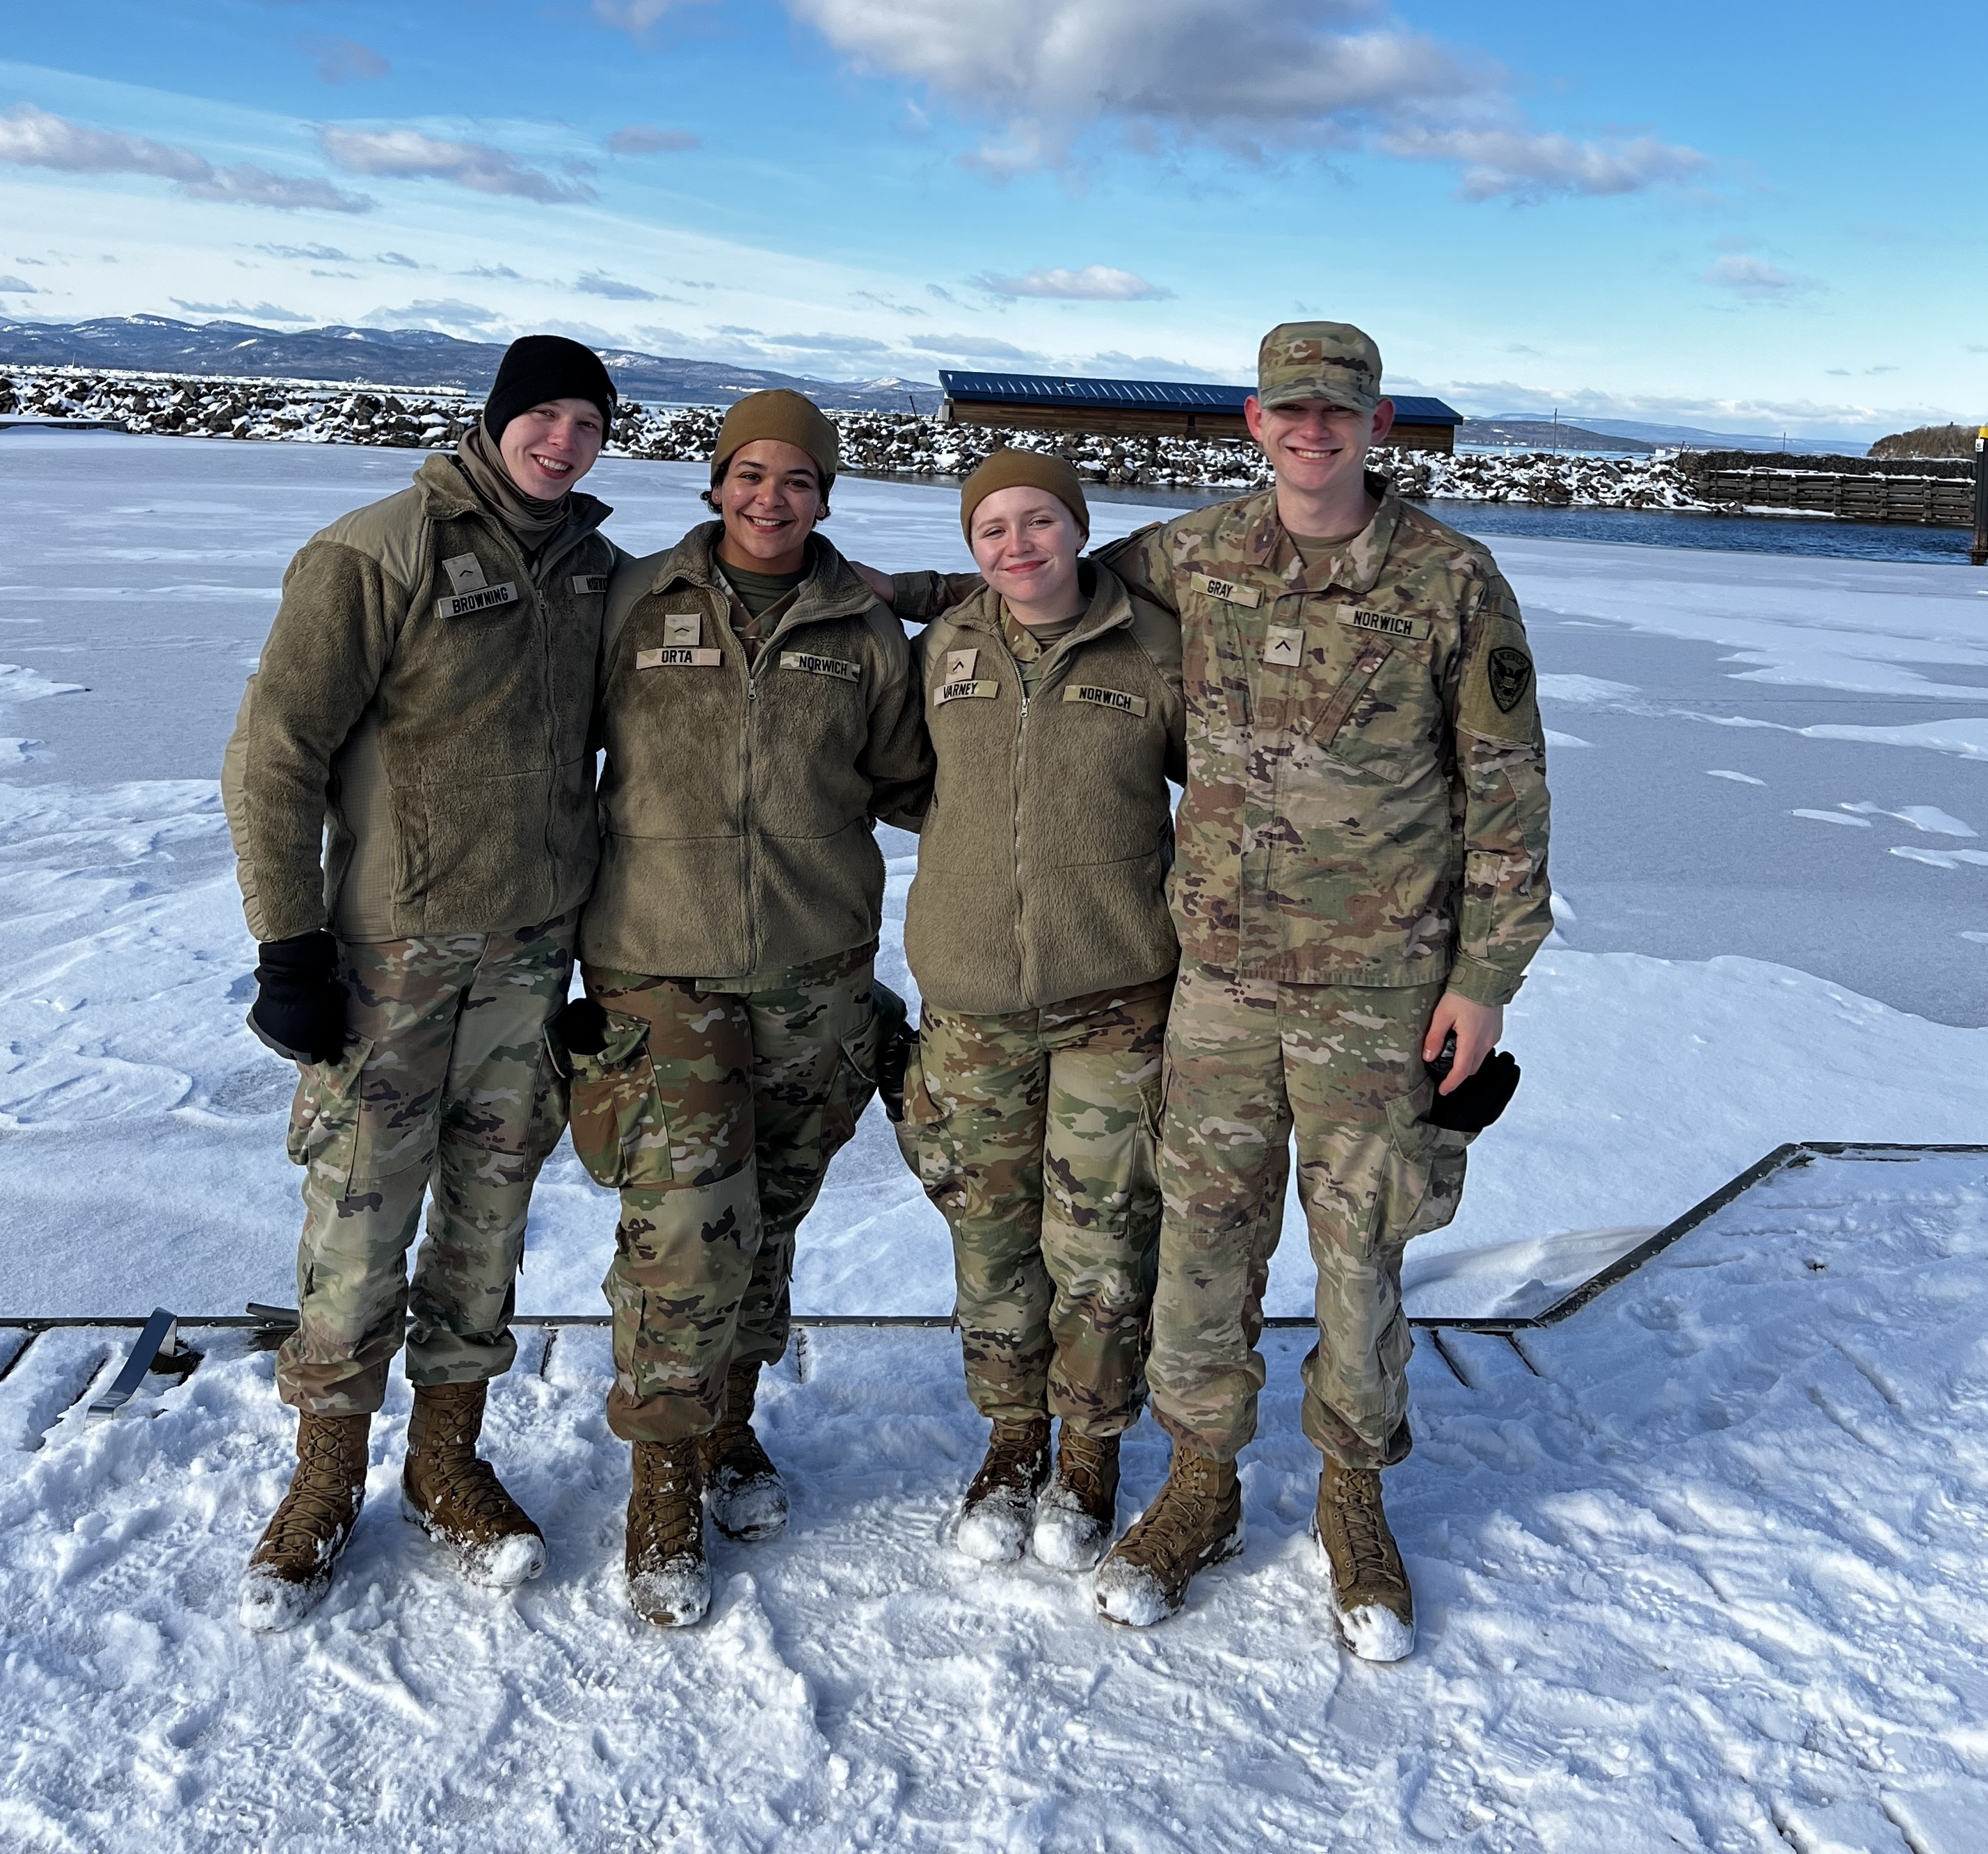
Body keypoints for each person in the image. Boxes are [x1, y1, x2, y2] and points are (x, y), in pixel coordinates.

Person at [1087, 321, 1550, 1661]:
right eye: (1291, 410)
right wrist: (873, 585)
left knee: (1362, 1255)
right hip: (1222, 981)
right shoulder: (1194, 553)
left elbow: (1507, 789)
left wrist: (1487, 975)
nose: (1314, 431)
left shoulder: (1454, 581)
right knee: (1202, 1246)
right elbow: (1047, 579)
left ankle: (1355, 1499)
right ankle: (1201, 1485)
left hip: (1381, 989)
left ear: (1378, 425)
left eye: (1339, 413)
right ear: (1254, 420)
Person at [222, 334, 624, 1631]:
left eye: (587, 424)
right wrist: (288, 944)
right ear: (495, 420)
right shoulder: (377, 550)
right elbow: (274, 754)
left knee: (488, 1220)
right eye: (542, 417)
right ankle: (325, 1475)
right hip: (387, 959)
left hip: (529, 960)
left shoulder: (596, 573)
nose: (562, 443)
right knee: (358, 1220)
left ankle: (445, 1462)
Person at [570, 388, 931, 1629]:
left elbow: (916, 782)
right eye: (751, 475)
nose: (771, 499)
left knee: (769, 1214)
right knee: (679, 1231)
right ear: (715, 481)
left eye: (799, 481)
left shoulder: (865, 628)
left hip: (813, 969)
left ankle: (729, 1428)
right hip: (653, 963)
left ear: (828, 496)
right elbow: (553, 746)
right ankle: (661, 1480)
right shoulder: (632, 600)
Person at [892, 450, 1185, 1572]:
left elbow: (1210, 796)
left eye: (1040, 521)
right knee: (992, 1235)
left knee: (1105, 1241)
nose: (1018, 546)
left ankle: (1092, 1453)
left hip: (1117, 1001)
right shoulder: (945, 650)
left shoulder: (1153, 649)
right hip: (971, 1004)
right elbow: (901, 777)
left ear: (1079, 526)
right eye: (993, 530)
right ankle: (1014, 1440)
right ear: (973, 548)